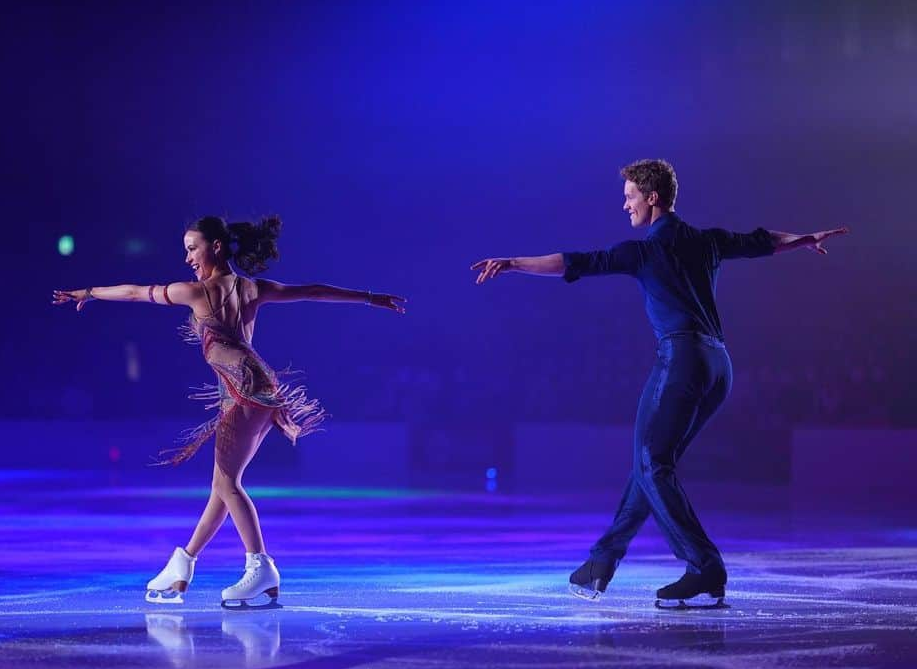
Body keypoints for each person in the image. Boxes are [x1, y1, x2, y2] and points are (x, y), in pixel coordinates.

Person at [471, 159, 847, 608]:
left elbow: (575, 263)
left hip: (683, 359)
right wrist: (804, 240)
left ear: (652, 198)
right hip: (718, 365)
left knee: (652, 464)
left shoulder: (643, 251)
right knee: (651, 465)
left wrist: (513, 263)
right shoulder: (707, 241)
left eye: (630, 196)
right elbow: (762, 242)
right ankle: (599, 564)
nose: (624, 204)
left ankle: (704, 566)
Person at [54, 215, 406, 607]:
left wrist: (89, 291)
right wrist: (369, 297)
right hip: (255, 387)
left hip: (244, 391)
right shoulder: (253, 288)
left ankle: (261, 567)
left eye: (192, 248)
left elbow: (137, 293)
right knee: (223, 484)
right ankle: (182, 564)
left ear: (215, 246)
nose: (187, 257)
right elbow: (313, 291)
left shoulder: (194, 293)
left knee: (227, 484)